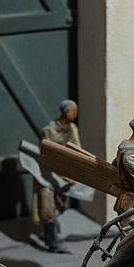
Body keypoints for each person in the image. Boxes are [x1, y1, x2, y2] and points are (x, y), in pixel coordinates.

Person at [32, 99, 81, 253]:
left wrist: (74, 172)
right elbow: (46, 154)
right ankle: (52, 242)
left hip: (64, 173)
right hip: (48, 173)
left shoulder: (72, 128)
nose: (76, 113)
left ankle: (49, 234)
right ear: (66, 111)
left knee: (59, 204)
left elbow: (77, 150)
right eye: (73, 111)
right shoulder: (48, 130)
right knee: (48, 208)